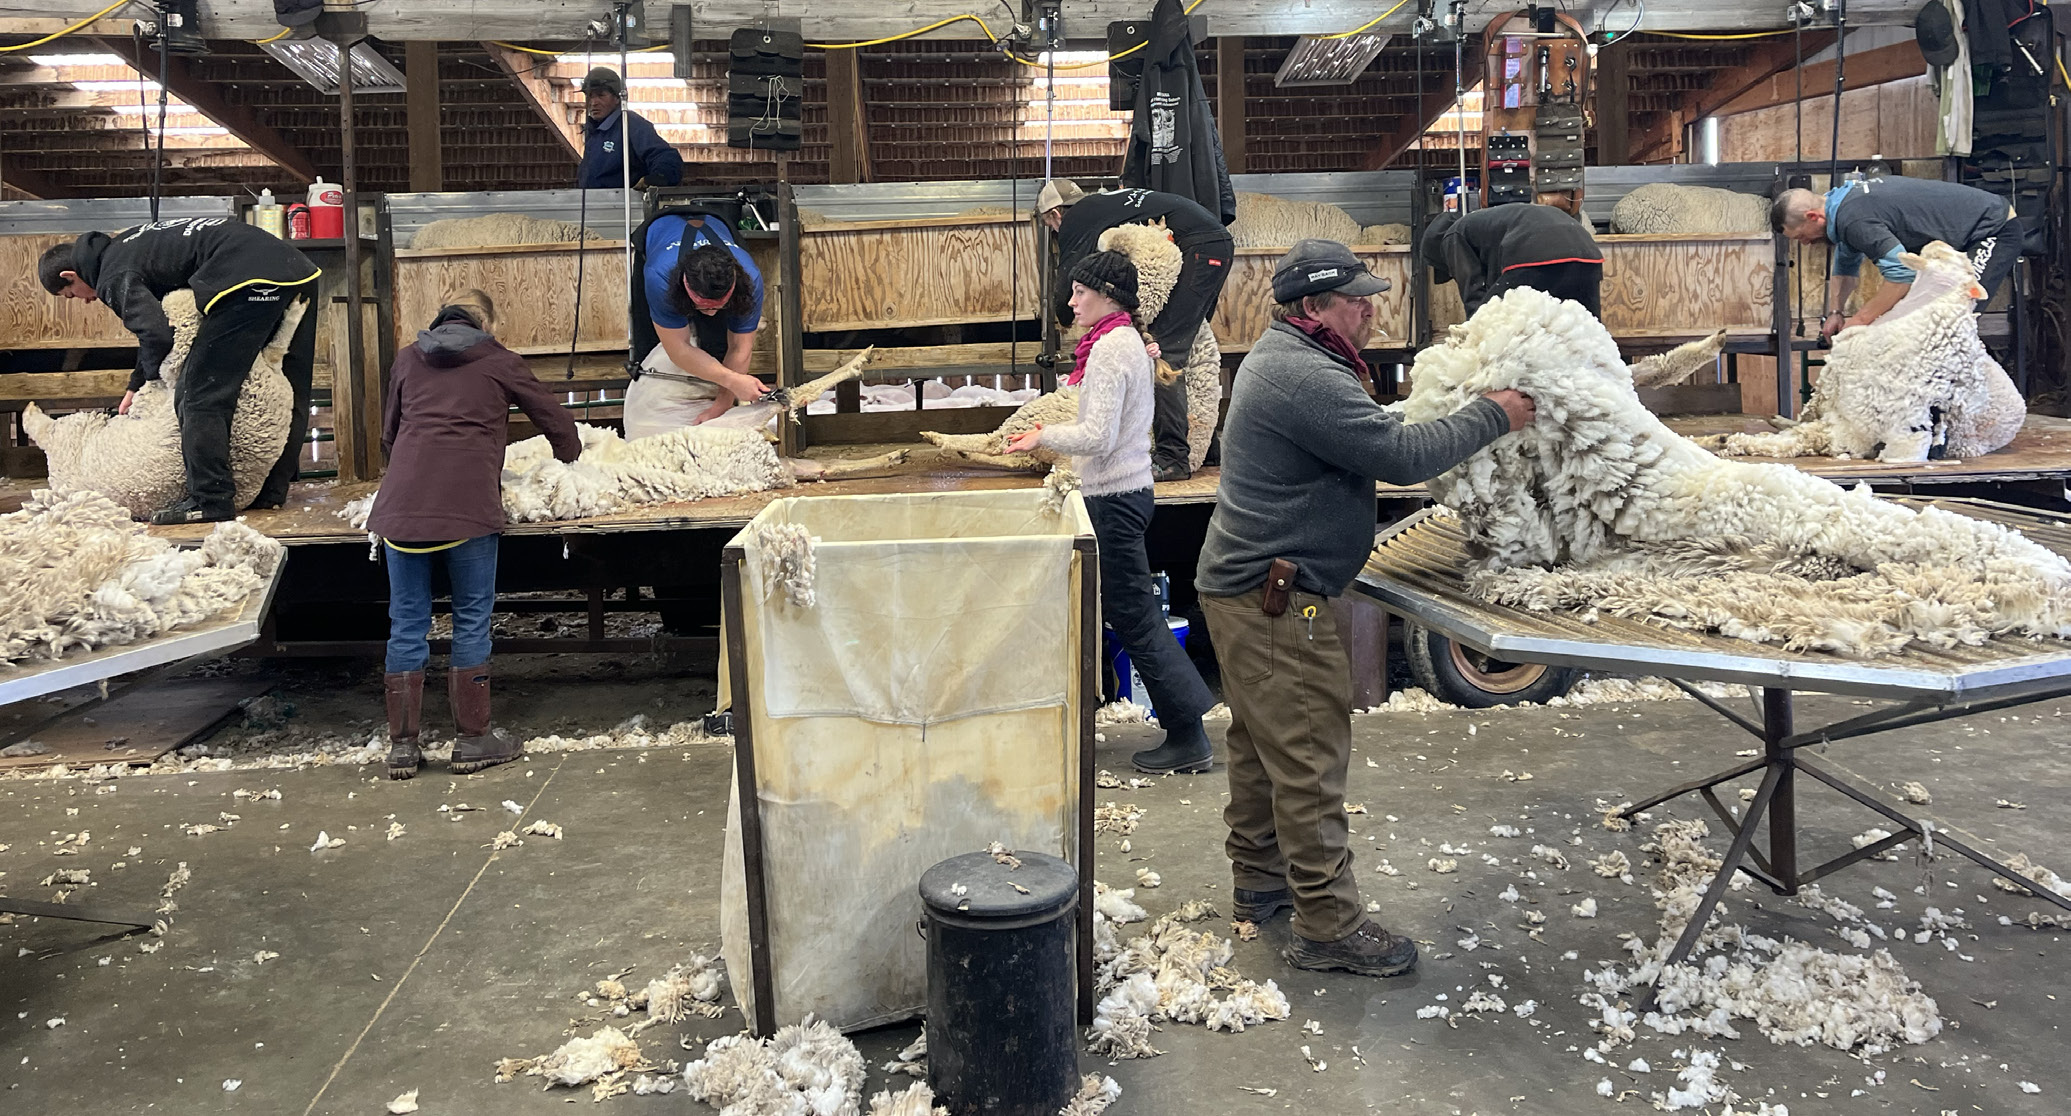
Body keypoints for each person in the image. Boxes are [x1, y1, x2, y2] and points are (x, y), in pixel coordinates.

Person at [1194, 239, 1536, 978]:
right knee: (1309, 756)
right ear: (1315, 306)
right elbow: (1402, 456)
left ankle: (1259, 886)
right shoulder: (1299, 374)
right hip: (1275, 601)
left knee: (1265, 751)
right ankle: (1327, 924)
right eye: (1356, 297)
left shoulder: (1296, 360)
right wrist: (1494, 414)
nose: (1371, 307)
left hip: (1251, 590)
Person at [1005, 250, 1220, 774]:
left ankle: (1189, 732)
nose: (1072, 301)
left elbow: (1097, 436)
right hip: (1123, 493)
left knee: (1133, 615)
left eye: (1081, 291)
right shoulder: (1121, 342)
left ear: (1108, 296)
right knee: (1129, 612)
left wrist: (1042, 435)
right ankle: (1184, 722)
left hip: (1116, 499)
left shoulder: (1110, 350)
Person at [366, 290, 582, 780]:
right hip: (467, 507)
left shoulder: (407, 358)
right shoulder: (499, 360)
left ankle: (402, 748)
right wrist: (570, 461)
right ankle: (473, 739)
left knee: (406, 623)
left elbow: (388, 434)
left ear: (438, 321)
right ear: (487, 324)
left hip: (401, 510)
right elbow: (556, 420)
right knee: (469, 620)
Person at [38, 217, 320, 523]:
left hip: (246, 279)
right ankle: (271, 493)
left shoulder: (110, 277)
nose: (85, 301)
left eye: (71, 294)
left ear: (70, 275)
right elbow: (152, 329)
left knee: (199, 395)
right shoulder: (126, 245)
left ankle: (210, 502)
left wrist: (149, 383)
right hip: (298, 269)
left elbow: (157, 334)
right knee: (292, 387)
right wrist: (136, 383)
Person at [1040, 180, 1234, 482]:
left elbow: (1068, 278)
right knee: (1190, 346)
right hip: (1211, 243)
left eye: (1049, 224)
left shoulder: (1075, 218)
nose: (1054, 231)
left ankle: (1173, 459)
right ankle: (1204, 447)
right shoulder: (1102, 208)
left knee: (1164, 354)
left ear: (1054, 214)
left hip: (1200, 247)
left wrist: (1066, 308)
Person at [1773, 177, 2020, 338]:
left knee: (1955, 319)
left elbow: (1902, 275)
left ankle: (1951, 410)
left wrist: (1860, 321)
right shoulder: (1841, 203)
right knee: (1927, 318)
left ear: (1813, 217)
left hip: (1992, 228)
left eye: (1800, 236)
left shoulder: (1854, 219)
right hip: (1966, 236)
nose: (1804, 243)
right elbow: (1845, 265)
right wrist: (1836, 312)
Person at [623, 211, 769, 436]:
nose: (710, 313)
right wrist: (734, 380)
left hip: (718, 225)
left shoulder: (750, 278)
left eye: (717, 306)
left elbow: (740, 346)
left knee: (718, 343)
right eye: (703, 307)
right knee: (651, 347)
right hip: (660, 237)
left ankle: (713, 417)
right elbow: (678, 350)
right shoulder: (658, 276)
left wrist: (723, 402)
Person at [1424, 202, 1605, 319]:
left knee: (1489, 322)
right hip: (1587, 252)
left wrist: (1472, 337)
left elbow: (1474, 294)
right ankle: (1613, 375)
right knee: (1590, 333)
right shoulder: (1486, 224)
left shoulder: (1452, 235)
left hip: (1534, 253)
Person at [577, 66, 684, 190]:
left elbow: (665, 156)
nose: (593, 102)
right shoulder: (594, 132)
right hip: (595, 204)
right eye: (589, 96)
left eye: (601, 95)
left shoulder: (631, 124)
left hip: (625, 205)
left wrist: (658, 177)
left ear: (617, 98)